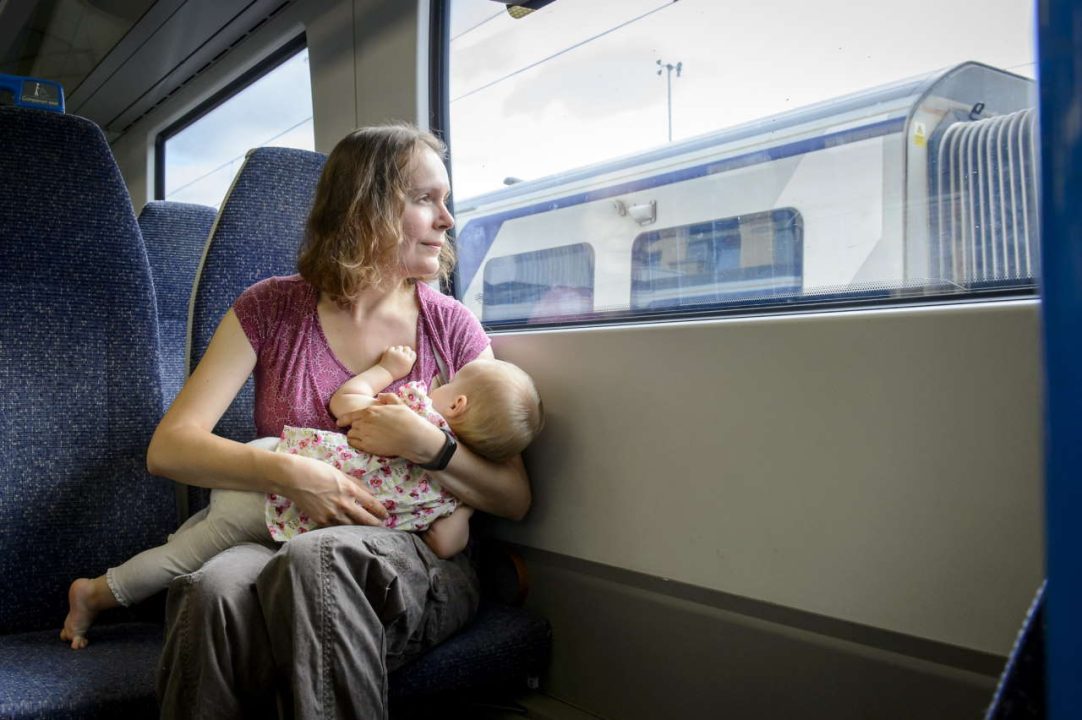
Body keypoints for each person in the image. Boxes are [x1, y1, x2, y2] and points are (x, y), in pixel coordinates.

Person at [108, 124, 532, 719]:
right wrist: (294, 476)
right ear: (367, 207)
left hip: (413, 556)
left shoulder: (450, 325)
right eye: (424, 199)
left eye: (446, 200)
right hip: (280, 531)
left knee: (320, 562)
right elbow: (171, 448)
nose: (447, 219)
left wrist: (431, 447)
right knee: (212, 590)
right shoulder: (271, 308)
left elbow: (512, 496)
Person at [60, 347, 543, 650]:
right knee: (181, 557)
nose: (438, 383)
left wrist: (384, 370)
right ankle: (95, 593)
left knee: (191, 544)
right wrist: (467, 501)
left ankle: (107, 586)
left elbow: (345, 405)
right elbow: (445, 544)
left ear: (455, 404)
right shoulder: (450, 497)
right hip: (277, 495)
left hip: (271, 459)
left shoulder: (410, 411)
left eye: (449, 384)